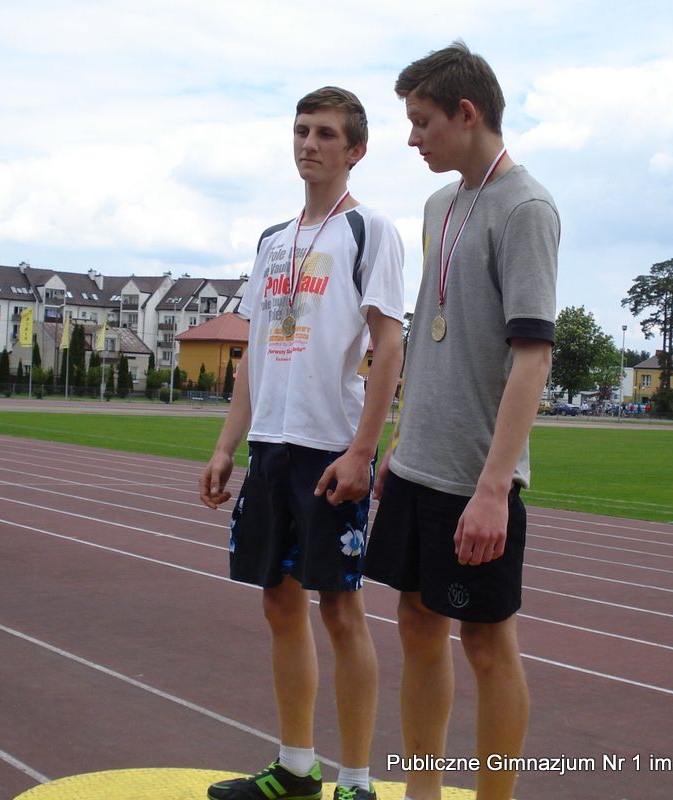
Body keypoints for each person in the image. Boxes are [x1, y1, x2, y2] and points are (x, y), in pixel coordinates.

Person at [363, 42, 559, 800]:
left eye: (423, 122)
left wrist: (493, 487)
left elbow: (532, 359)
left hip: (475, 475)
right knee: (416, 626)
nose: (412, 138)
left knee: (485, 643)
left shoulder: (527, 209)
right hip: (419, 461)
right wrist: (400, 439)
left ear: (466, 113)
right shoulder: (439, 205)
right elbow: (431, 329)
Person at [199, 86, 405, 800]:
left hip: (329, 448)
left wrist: (362, 451)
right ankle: (295, 767)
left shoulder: (368, 230)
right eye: (301, 131)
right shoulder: (271, 241)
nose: (309, 144)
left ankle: (357, 781)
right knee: (278, 603)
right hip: (271, 446)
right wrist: (226, 446)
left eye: (325, 134)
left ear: (356, 150)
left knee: (340, 609)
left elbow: (388, 345)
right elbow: (254, 353)